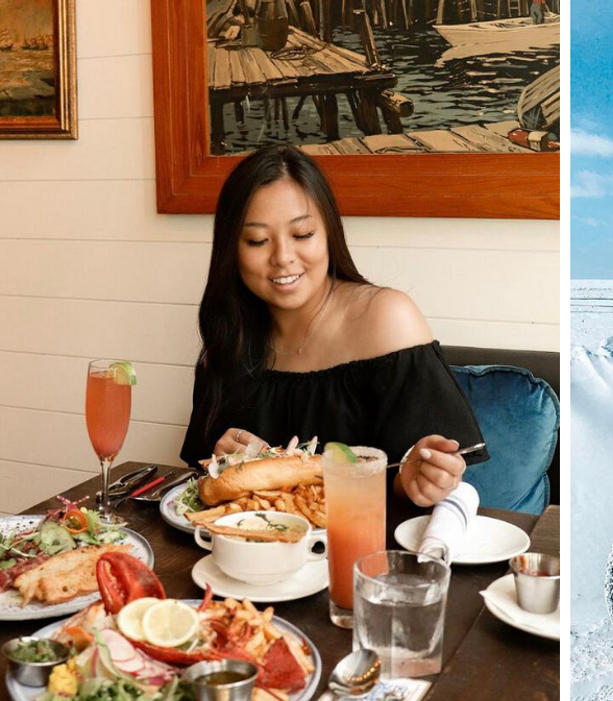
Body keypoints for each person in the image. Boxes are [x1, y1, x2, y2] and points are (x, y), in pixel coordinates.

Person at [180, 144, 488, 507]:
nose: (282, 257)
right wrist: (222, 463)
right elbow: (201, 486)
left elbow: (425, 475)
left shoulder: (386, 317)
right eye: (257, 240)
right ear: (232, 249)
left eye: (302, 234)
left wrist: (420, 478)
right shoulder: (231, 336)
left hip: (367, 550)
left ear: (329, 232)